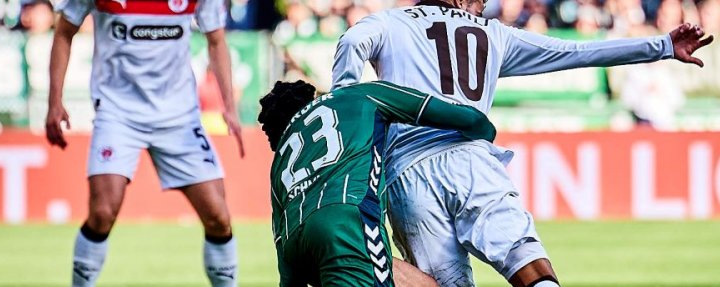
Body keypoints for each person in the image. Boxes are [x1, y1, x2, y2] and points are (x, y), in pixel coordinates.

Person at [331, 0, 713, 286]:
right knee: (527, 263)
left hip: (408, 178)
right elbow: (575, 53)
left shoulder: (389, 22)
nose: (482, 5)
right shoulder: (492, 34)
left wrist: (343, 97)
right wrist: (662, 45)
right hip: (472, 161)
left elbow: (352, 41)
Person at [44, 0, 245, 286]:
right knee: (102, 213)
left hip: (179, 117)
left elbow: (216, 40)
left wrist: (229, 107)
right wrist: (54, 102)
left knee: (218, 216)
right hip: (118, 113)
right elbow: (64, 32)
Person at [258, 80, 494, 286]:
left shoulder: (279, 162)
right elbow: (464, 118)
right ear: (312, 98)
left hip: (297, 245)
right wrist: (484, 132)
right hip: (347, 220)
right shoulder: (358, 94)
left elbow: (284, 251)